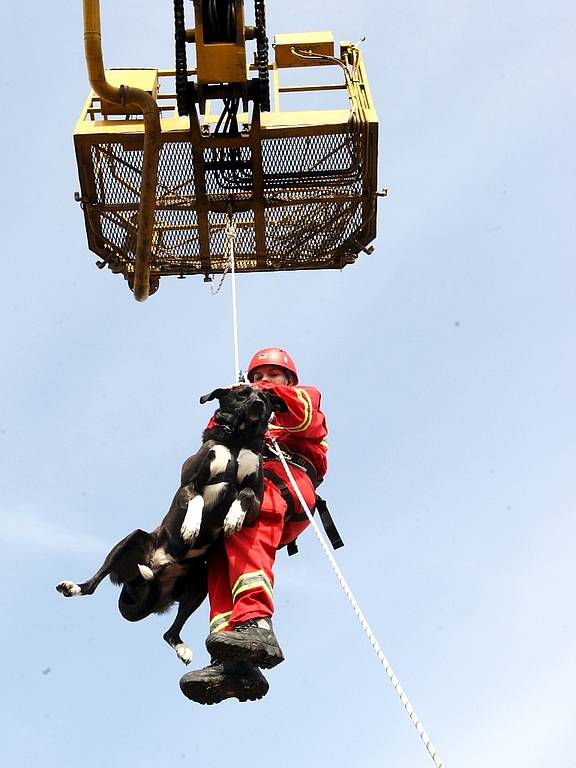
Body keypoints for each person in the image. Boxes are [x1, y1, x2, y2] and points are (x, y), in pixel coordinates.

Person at [180, 347, 328, 704]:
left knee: (249, 515)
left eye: (272, 375)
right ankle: (234, 662)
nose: (264, 381)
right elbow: (214, 437)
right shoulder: (248, 406)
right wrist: (232, 404)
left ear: (288, 378)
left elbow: (303, 415)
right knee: (218, 554)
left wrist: (261, 397)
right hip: (244, 484)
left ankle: (257, 624)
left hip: (285, 478)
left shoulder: (300, 398)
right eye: (257, 376)